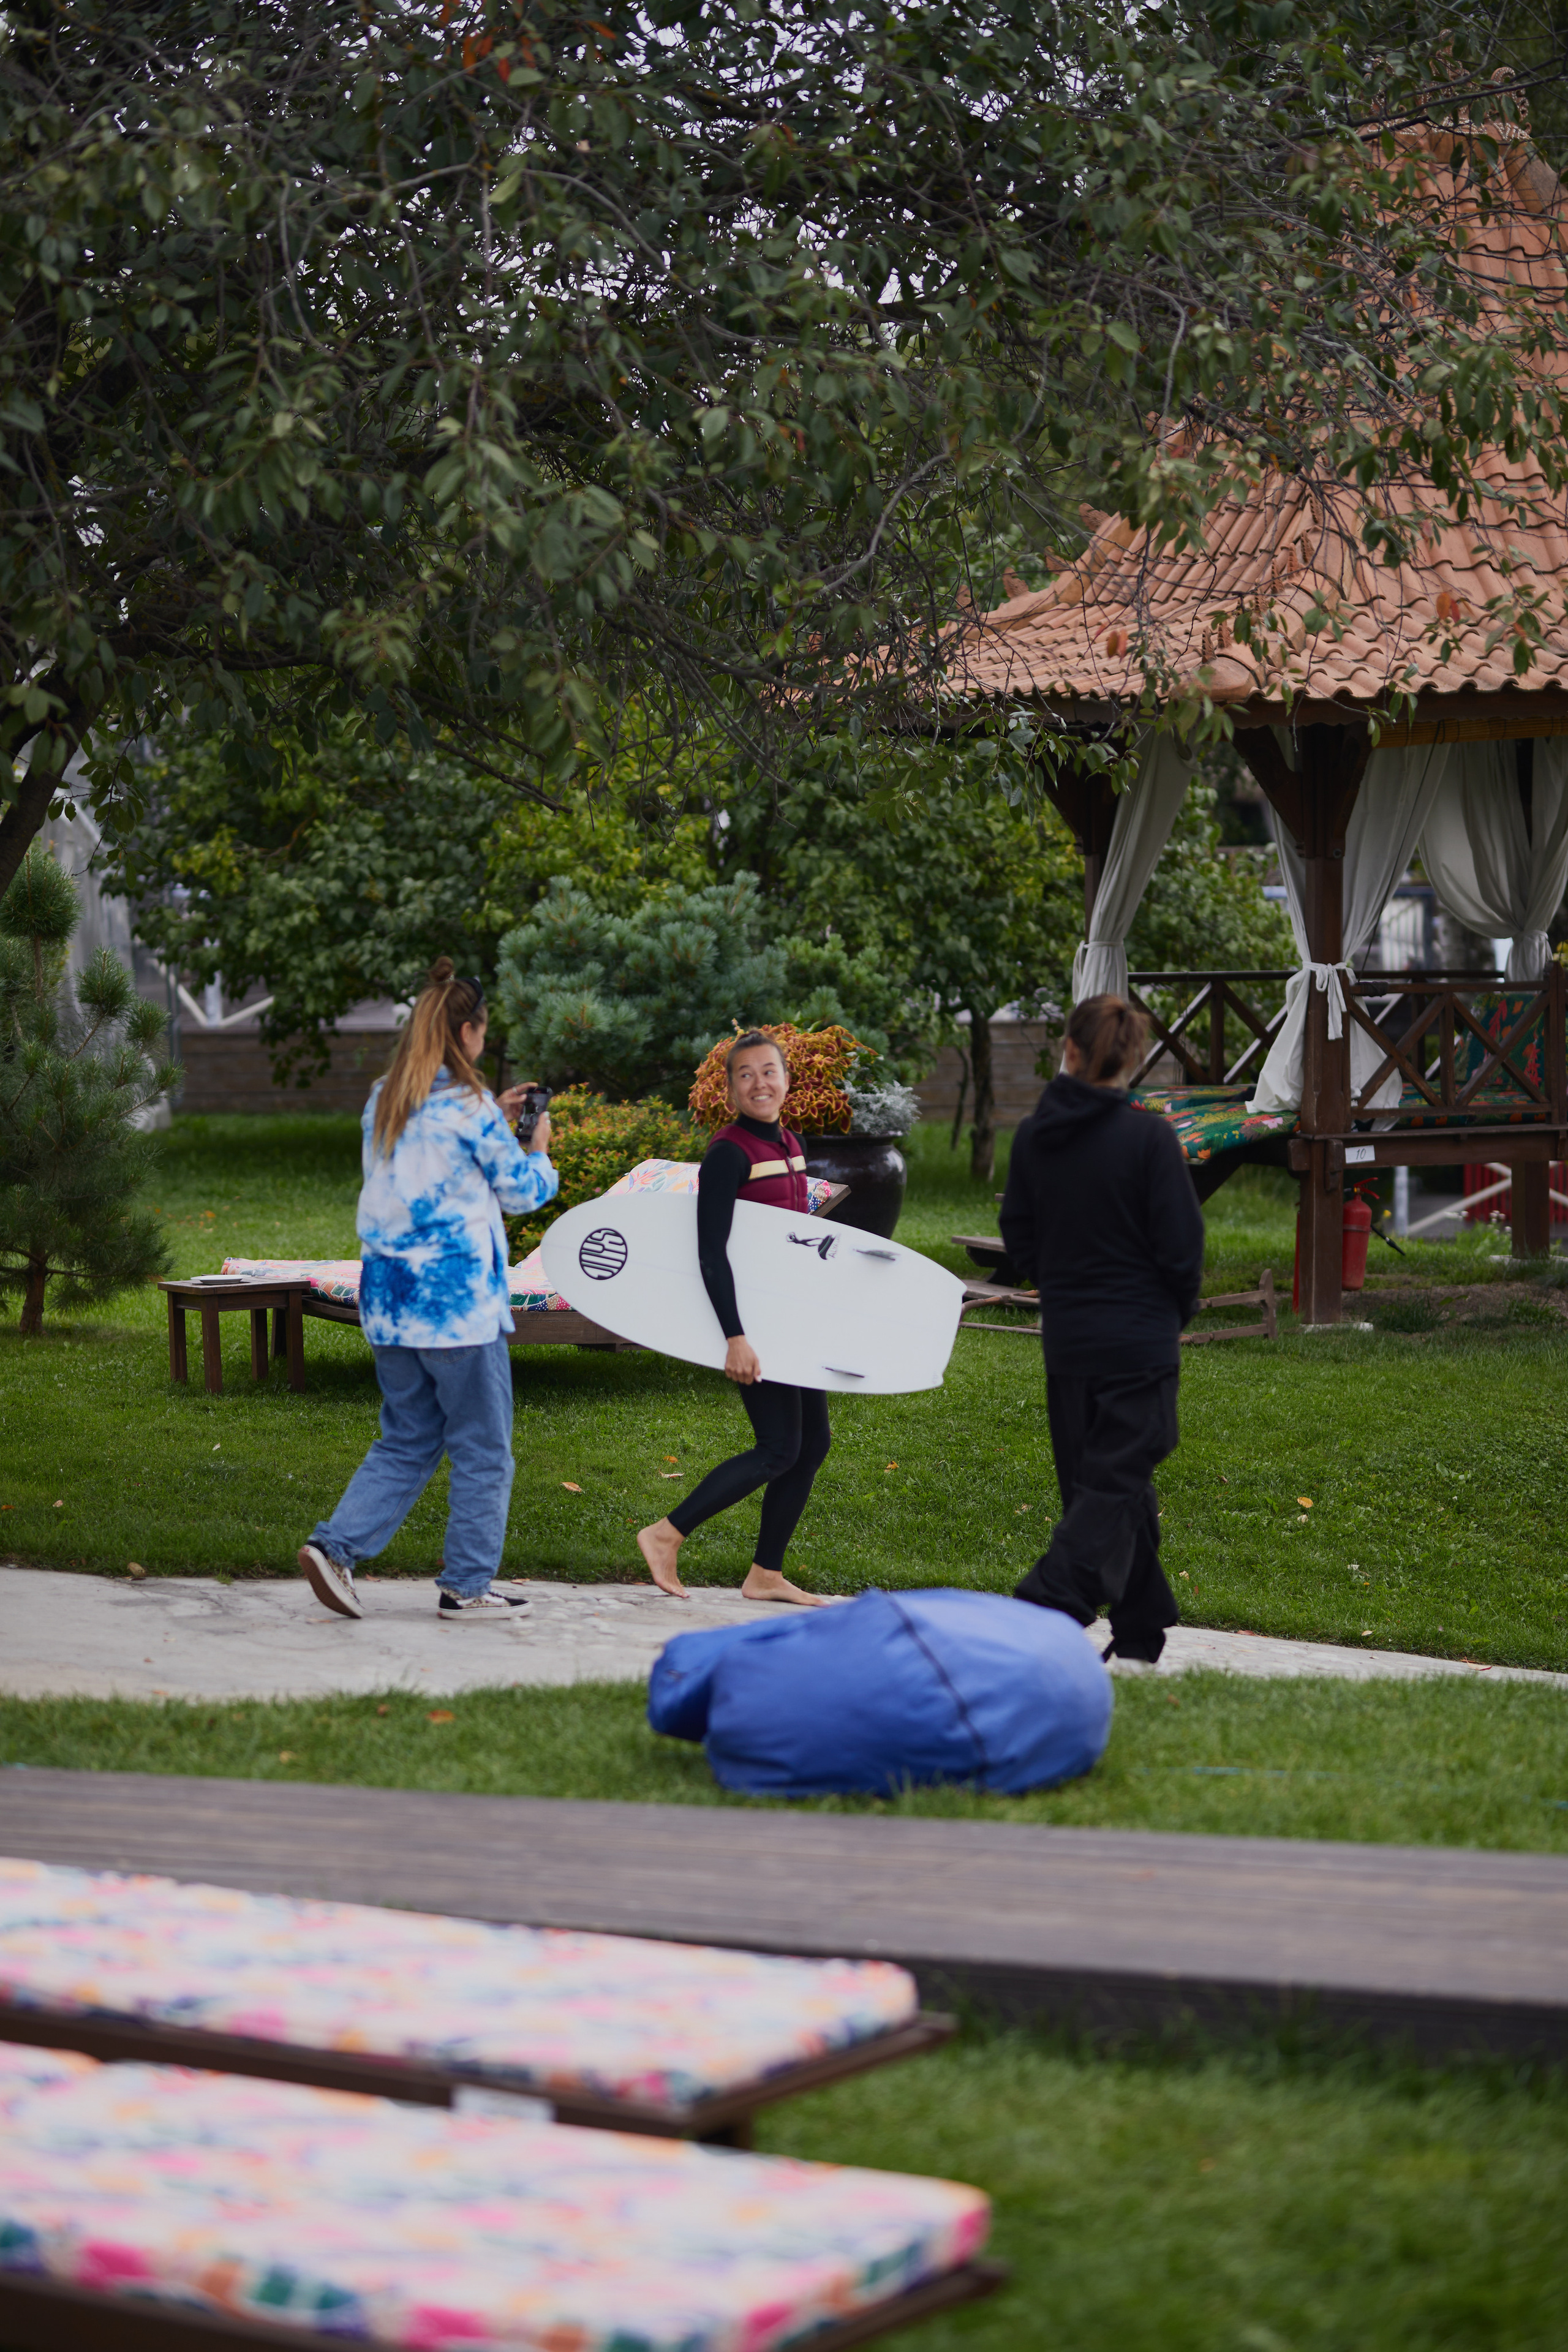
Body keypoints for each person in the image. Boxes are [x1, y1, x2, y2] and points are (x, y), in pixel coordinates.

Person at [297, 958, 558, 1623]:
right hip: (457, 1313)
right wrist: (539, 1149)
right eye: (481, 1031)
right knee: (483, 1449)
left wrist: (492, 1120)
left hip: (387, 1303)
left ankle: (334, 1548)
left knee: (408, 1438)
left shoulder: (386, 1095)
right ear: (468, 1033)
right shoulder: (470, 1110)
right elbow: (522, 1194)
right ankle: (466, 1586)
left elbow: (427, 1152)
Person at [1000, 993, 1205, 1666]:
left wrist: (1058, 1285)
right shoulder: (1148, 1138)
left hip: (1069, 1339)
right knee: (1113, 1485)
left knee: (1110, 1484)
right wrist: (1172, 1314)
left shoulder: (1034, 1135)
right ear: (1133, 1060)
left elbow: (1018, 1239)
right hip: (1139, 1338)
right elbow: (1181, 1249)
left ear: (1070, 1051)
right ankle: (1048, 1598)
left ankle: (1142, 1631)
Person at [637, 1030, 829, 1606]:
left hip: (793, 1319)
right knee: (778, 1447)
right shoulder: (729, 1153)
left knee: (811, 1443)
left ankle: (765, 1574)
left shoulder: (791, 1143)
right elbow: (710, 1252)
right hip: (755, 1324)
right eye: (745, 1075)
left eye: (769, 1071)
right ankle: (666, 1533)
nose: (760, 1083)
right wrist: (735, 1336)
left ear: (787, 1079)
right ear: (729, 1090)